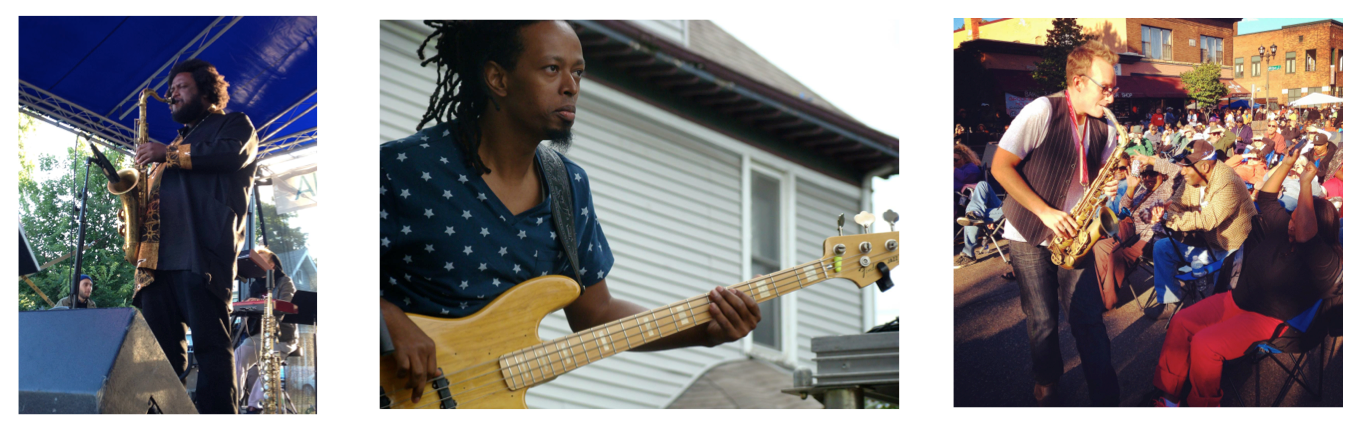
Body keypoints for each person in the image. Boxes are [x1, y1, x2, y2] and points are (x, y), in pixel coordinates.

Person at [378, 21, 762, 404]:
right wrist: (387, 317)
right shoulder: (402, 167)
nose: (571, 86)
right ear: (498, 78)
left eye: (577, 72)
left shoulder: (567, 186)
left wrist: (703, 331)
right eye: (552, 69)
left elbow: (597, 313)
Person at [1151, 149, 1341, 407]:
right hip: (1236, 300)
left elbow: (1307, 235)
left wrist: (1306, 184)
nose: (1291, 223)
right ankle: (1169, 395)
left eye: (1297, 220)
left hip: (1269, 320)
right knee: (1182, 321)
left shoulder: (1325, 261)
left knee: (1205, 345)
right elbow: (1267, 197)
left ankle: (1203, 406)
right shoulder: (1283, 232)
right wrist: (1286, 164)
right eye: (1292, 218)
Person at [990, 40, 1122, 406]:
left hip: (1075, 233)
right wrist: (1045, 212)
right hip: (1028, 232)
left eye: (1114, 89)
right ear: (1078, 83)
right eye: (1105, 88)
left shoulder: (1106, 129)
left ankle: (1106, 396)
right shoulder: (1041, 111)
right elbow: (1001, 167)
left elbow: (1094, 180)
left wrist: (1108, 186)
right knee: (1043, 319)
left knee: (1089, 319)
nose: (1111, 98)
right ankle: (1047, 381)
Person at [131, 58, 257, 414]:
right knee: (157, 357)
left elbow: (231, 154)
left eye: (181, 87)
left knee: (211, 349)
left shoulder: (232, 124)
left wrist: (165, 154)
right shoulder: (176, 141)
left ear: (207, 91)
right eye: (170, 90)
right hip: (157, 262)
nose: (172, 95)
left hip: (201, 252)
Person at [1130, 140, 1255, 309]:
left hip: (1233, 248)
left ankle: (1221, 313)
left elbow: (1207, 220)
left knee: (1222, 301)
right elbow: (1176, 204)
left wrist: (1167, 217)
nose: (1182, 171)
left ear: (1204, 167)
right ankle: (1169, 300)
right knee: (1162, 248)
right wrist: (1160, 212)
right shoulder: (1193, 179)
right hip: (1209, 244)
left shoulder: (1228, 182)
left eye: (1186, 166)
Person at [1092, 164, 1175, 311]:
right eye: (1145, 175)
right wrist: (1130, 189)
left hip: (1149, 238)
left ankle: (1107, 302)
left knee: (1116, 254)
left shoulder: (1167, 189)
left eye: (1153, 174)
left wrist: (1151, 159)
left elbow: (1177, 171)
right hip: (1129, 233)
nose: (1148, 178)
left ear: (1162, 174)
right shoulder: (1142, 191)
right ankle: (1101, 293)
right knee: (1099, 247)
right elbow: (1122, 209)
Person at [234, 251, 298, 413]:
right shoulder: (255, 285)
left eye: (262, 259)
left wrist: (261, 302)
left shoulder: (285, 282)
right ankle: (233, 400)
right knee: (238, 357)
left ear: (272, 265)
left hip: (282, 336)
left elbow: (286, 306)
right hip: (258, 335)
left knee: (269, 363)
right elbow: (248, 307)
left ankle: (255, 407)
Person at [955, 181, 1004, 269]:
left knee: (971, 216)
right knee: (982, 184)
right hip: (1005, 205)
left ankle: (968, 254)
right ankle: (975, 214)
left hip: (1016, 209)